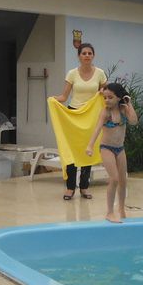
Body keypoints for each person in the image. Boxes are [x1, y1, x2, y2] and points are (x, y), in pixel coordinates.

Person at [53, 42, 107, 201]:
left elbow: (105, 91)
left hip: (91, 116)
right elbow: (64, 97)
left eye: (90, 53)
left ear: (93, 56)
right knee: (71, 151)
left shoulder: (100, 73)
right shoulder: (72, 74)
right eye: (84, 53)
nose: (87, 56)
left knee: (87, 151)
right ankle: (70, 188)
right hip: (74, 114)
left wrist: (103, 92)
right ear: (79, 56)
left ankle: (84, 187)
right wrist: (53, 100)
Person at [85, 81, 138, 222]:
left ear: (119, 98)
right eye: (105, 98)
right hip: (106, 148)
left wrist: (129, 104)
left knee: (123, 180)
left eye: (110, 97)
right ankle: (109, 212)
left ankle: (121, 208)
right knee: (114, 179)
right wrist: (90, 146)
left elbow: (133, 121)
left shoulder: (123, 110)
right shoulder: (105, 112)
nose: (107, 100)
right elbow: (97, 129)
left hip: (120, 149)